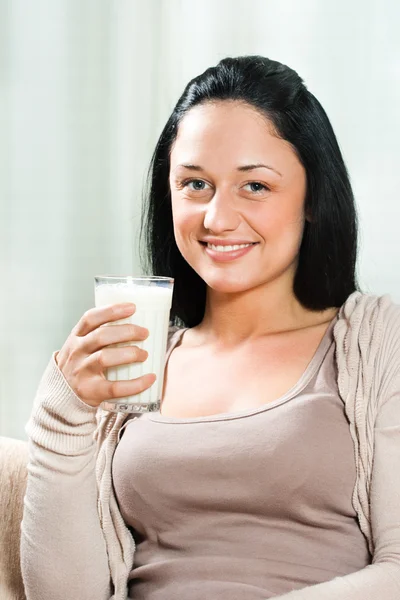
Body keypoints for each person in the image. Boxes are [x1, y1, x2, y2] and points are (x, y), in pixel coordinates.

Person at [20, 56, 400, 600]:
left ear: (313, 197)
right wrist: (64, 413)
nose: (218, 219)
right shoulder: (135, 367)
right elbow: (64, 595)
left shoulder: (377, 345)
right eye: (195, 184)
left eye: (255, 187)